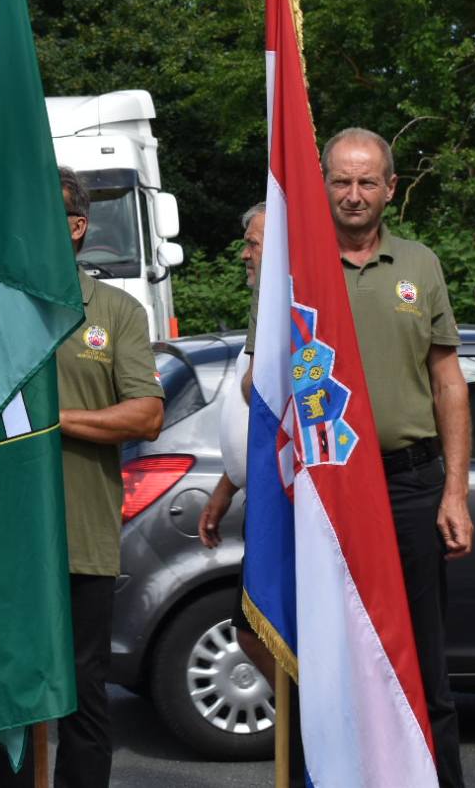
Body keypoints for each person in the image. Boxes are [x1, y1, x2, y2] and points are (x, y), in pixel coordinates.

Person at [0, 166, 165, 787]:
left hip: (83, 537)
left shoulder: (117, 310)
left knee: (84, 695)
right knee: (10, 698)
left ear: (76, 228)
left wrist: (51, 417)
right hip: (6, 539)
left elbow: (147, 413)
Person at [322, 127, 472, 788]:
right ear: (322, 183)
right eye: (340, 181)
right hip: (328, 491)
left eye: (366, 182)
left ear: (391, 188)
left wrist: (456, 492)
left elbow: (449, 383)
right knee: (335, 665)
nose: (353, 195)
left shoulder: (421, 264)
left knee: (423, 661)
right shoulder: (296, 264)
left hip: (412, 484)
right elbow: (256, 386)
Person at [198, 202, 275, 681]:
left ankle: (309, 728)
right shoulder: (262, 306)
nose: (244, 254)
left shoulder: (293, 307)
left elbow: (260, 391)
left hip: (285, 505)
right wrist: (227, 487)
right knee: (252, 629)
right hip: (260, 495)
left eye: (253, 243)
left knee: (258, 628)